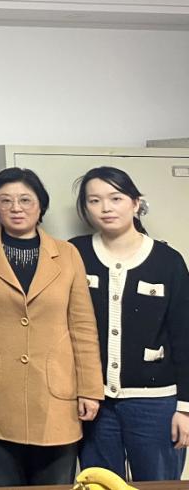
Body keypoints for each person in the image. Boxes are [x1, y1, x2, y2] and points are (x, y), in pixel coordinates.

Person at [0, 167, 103, 487]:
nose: (15, 208)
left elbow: (83, 327)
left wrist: (90, 389)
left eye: (25, 200)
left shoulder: (68, 254)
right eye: (5, 200)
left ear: (40, 205)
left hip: (57, 393)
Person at [70, 166, 189, 480]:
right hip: (93, 402)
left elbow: (184, 336)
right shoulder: (74, 253)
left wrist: (185, 408)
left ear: (136, 203)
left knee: (158, 484)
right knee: (99, 483)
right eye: (94, 200)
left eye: (116, 198)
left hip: (156, 404)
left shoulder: (167, 261)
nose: (106, 208)